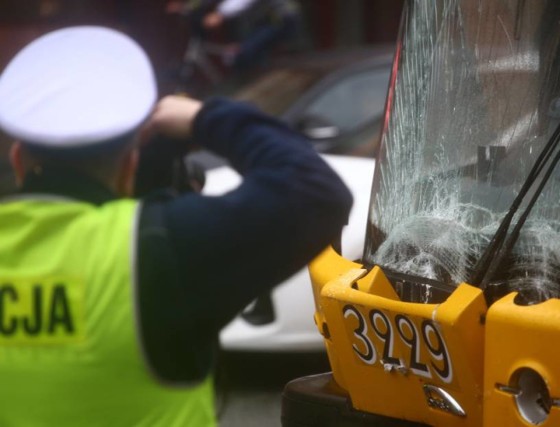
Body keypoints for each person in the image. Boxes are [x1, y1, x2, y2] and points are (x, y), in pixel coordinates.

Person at [0, 26, 352, 426]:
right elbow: (315, 193)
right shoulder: (155, 247)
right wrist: (204, 117)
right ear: (129, 167)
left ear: (17, 160)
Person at [167, 0, 301, 69]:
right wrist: (186, 7)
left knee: (243, 55)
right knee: (240, 53)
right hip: (261, 20)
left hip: (279, 19)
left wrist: (220, 14)